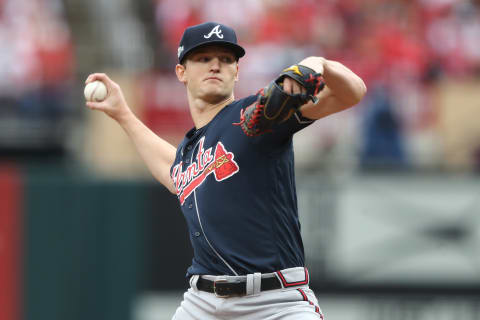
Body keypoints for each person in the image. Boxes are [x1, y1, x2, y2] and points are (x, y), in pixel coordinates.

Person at [85, 22, 366, 320]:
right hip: (203, 303)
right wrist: (122, 114)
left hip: (275, 303)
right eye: (203, 58)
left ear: (237, 71)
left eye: (226, 59)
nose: (215, 66)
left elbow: (353, 93)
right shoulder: (190, 149)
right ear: (181, 72)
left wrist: (318, 63)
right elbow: (175, 174)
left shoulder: (255, 117)